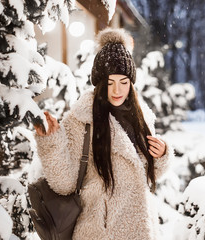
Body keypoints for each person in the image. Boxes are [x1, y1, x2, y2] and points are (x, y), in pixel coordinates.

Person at [34, 28, 173, 240]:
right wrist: (51, 143)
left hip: (142, 229)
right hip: (101, 232)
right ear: (100, 83)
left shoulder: (142, 117)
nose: (117, 90)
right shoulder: (82, 119)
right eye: (110, 82)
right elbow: (65, 184)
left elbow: (144, 175)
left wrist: (161, 155)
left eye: (124, 82)